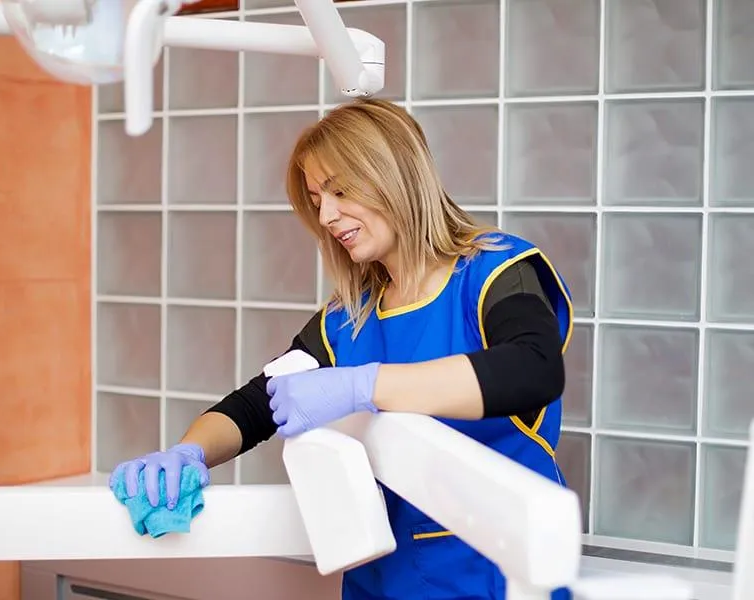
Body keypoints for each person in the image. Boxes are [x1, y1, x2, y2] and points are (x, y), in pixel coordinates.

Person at [110, 98, 574, 600]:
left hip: (498, 579)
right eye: (316, 199)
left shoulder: (495, 272)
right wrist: (188, 451)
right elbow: (254, 404)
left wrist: (361, 385)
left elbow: (534, 369)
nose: (327, 215)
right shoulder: (347, 317)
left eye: (339, 191)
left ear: (393, 173)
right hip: (381, 584)